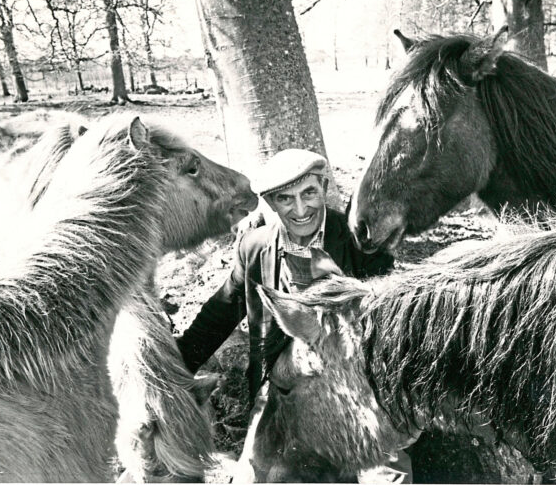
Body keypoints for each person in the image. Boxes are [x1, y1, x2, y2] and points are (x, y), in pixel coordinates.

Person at [175, 148, 411, 483]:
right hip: (282, 389)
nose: (300, 210)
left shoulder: (361, 242)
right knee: (252, 477)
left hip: (357, 389)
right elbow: (223, 310)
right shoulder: (254, 247)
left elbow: (387, 328)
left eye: (309, 193)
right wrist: (176, 362)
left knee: (387, 475)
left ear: (325, 187)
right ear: (270, 203)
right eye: (285, 198)